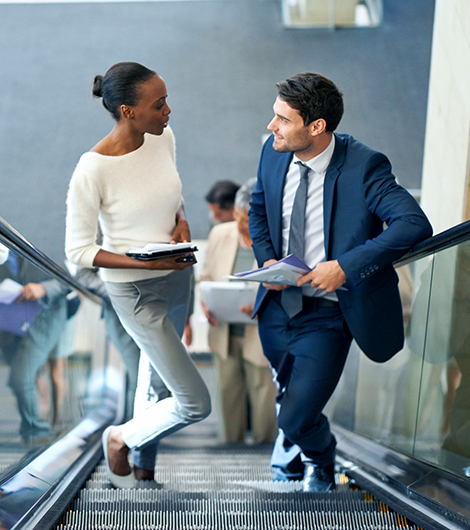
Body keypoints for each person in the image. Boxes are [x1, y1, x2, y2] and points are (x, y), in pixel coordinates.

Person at [249, 72, 433, 492]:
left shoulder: (365, 165)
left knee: (294, 416)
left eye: (282, 119)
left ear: (316, 127)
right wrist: (268, 260)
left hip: (329, 315)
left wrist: (345, 266)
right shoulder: (272, 152)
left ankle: (320, 458)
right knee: (290, 399)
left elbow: (413, 224)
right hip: (277, 307)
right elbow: (259, 210)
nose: (271, 126)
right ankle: (300, 450)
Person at [65, 62, 211, 488]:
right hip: (136, 293)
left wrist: (181, 221)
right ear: (128, 111)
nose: (169, 111)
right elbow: (79, 251)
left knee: (155, 383)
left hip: (179, 275)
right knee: (194, 403)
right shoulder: (92, 169)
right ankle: (120, 437)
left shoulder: (163, 138)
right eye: (159, 104)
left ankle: (144, 473)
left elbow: (173, 192)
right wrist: (144, 263)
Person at [200, 179, 277, 444]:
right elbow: (206, 276)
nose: (240, 223)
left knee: (264, 396)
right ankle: (228, 449)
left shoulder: (277, 237)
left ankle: (264, 455)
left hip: (261, 332)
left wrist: (260, 304)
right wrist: (205, 303)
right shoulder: (221, 234)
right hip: (224, 330)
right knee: (227, 394)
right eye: (237, 216)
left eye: (246, 218)